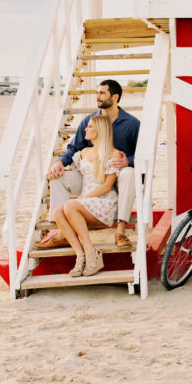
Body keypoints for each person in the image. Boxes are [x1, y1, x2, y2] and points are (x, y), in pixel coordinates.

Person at [37, 79, 140, 250]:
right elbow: (74, 147)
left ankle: (121, 230)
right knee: (57, 178)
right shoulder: (89, 121)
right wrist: (60, 162)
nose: (97, 96)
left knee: (129, 172)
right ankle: (61, 232)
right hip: (94, 175)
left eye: (102, 93)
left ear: (115, 97)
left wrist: (129, 159)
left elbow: (143, 153)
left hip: (119, 175)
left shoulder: (132, 124)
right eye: (96, 92)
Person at [49, 115, 117, 277]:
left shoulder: (113, 154)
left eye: (90, 127)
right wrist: (58, 167)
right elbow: (68, 163)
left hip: (104, 201)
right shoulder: (84, 152)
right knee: (57, 212)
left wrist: (82, 200)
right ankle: (80, 254)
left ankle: (90, 251)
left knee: (70, 206)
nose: (85, 129)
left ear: (100, 130)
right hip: (86, 202)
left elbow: (107, 186)